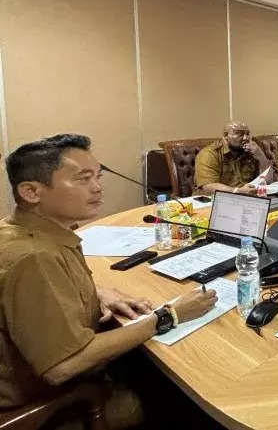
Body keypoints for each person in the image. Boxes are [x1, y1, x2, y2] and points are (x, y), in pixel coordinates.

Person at [0, 134, 217, 426]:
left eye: (98, 177)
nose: (98, 187)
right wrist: (170, 315)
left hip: (51, 374)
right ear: (31, 191)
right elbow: (63, 366)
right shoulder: (34, 258)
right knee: (186, 388)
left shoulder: (19, 231)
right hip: (53, 401)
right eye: (83, 179)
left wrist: (98, 292)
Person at [193, 121, 272, 195]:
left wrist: (261, 157)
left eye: (247, 134)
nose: (245, 138)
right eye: (239, 134)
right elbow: (208, 187)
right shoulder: (209, 154)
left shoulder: (252, 151)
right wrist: (238, 191)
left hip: (246, 198)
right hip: (212, 200)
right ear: (226, 136)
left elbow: (268, 181)